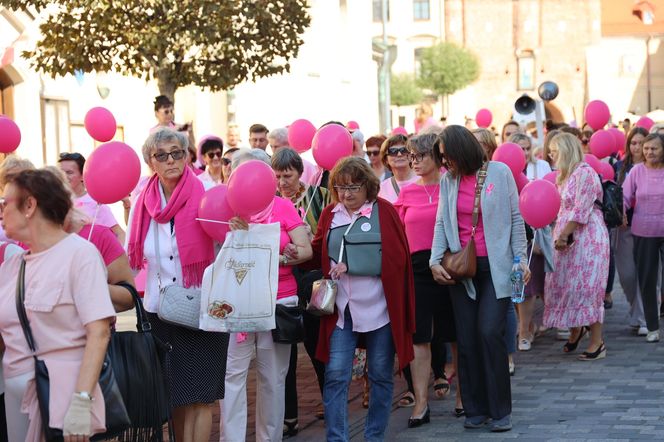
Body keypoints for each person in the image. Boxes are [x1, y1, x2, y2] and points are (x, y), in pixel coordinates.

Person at [126, 127, 228, 442]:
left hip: (203, 307)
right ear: (151, 162)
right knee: (175, 395)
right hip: (161, 309)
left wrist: (234, 230)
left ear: (186, 156)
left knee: (200, 395)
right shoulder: (143, 202)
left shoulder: (207, 192)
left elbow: (226, 246)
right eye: (162, 155)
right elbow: (132, 249)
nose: (171, 160)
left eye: (177, 153)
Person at [0, 169, 115, 441]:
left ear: (30, 205)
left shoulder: (80, 254)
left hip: (63, 396)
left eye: (5, 204)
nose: (1, 211)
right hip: (15, 397)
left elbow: (98, 332)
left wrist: (81, 401)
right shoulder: (11, 265)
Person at [307, 156, 415, 441]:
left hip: (379, 308)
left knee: (380, 375)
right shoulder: (331, 213)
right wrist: (295, 251)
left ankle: (374, 436)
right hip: (342, 310)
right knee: (335, 376)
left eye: (354, 187)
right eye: (341, 187)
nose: (347, 194)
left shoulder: (386, 212)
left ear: (368, 187)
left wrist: (353, 263)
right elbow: (317, 249)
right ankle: (336, 438)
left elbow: (398, 259)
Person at [430, 125, 528, 432]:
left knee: (489, 333)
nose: (444, 163)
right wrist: (434, 260)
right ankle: (475, 408)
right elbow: (441, 222)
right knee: (468, 340)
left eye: (447, 156)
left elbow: (515, 219)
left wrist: (520, 261)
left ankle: (500, 410)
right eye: (441, 158)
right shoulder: (448, 180)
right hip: (462, 269)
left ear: (463, 150)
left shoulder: (499, 173)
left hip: (497, 268)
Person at [221, 152, 313, 442]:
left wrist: (289, 256)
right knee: (232, 375)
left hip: (278, 301)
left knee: (273, 378)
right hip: (239, 304)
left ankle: (269, 438)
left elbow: (306, 249)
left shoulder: (283, 207)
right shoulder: (228, 208)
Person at [394, 132, 461, 427]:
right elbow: (396, 233)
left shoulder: (454, 185)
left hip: (450, 266)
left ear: (437, 157)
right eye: (412, 156)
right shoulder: (407, 192)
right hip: (417, 269)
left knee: (456, 334)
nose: (415, 162)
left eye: (421, 156)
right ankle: (421, 402)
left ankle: (463, 396)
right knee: (419, 337)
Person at [271, 147, 331, 437]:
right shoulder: (269, 203)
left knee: (316, 344)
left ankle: (331, 403)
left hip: (313, 277)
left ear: (300, 173)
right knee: (286, 348)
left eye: (288, 176)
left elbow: (329, 233)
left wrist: (308, 238)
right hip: (283, 279)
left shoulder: (318, 197)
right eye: (278, 176)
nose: (283, 182)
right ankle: (289, 416)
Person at [543, 133, 610, 359]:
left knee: (588, 289)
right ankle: (576, 329)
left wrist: (563, 235)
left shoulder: (584, 173)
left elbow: (581, 210)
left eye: (554, 150)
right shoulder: (562, 175)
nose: (551, 155)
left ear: (566, 150)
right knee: (564, 286)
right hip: (566, 236)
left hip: (587, 238)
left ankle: (597, 342)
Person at [622, 133, 664, 342]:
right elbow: (625, 197)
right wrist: (619, 212)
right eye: (646, 149)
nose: (648, 152)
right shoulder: (637, 171)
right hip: (644, 232)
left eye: (654, 148)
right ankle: (652, 326)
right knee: (647, 281)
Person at [613, 127, 648, 335]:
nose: (637, 147)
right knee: (627, 275)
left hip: (648, 226)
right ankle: (637, 310)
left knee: (646, 272)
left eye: (641, 143)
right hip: (624, 226)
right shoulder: (619, 166)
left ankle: (643, 317)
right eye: (633, 143)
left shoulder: (655, 167)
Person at [58, 152, 126, 244]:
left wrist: (118, 257)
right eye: (61, 172)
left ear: (82, 176)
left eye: (69, 172)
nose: (64, 176)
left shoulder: (94, 202)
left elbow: (119, 233)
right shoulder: (55, 201)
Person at [377, 134, 418, 203]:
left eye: (404, 150)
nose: (399, 154)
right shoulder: (382, 188)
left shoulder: (423, 180)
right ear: (386, 159)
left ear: (411, 155)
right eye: (393, 151)